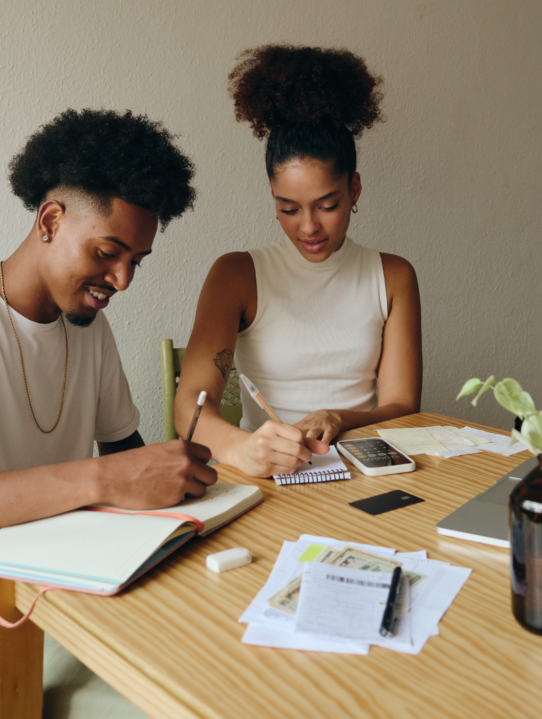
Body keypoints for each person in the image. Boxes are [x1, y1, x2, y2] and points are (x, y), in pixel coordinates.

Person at [0, 108, 216, 719]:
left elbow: (130, 461)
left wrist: (179, 479)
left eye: (139, 261)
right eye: (109, 252)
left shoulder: (89, 328)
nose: (123, 280)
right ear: (51, 220)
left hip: (71, 581)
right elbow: (111, 473)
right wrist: (106, 479)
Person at [175, 44, 422, 478]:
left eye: (327, 205)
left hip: (363, 475)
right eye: (289, 208)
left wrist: (339, 417)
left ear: (355, 190)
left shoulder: (393, 276)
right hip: (269, 479)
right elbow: (190, 408)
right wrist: (245, 449)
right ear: (272, 197)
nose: (308, 227)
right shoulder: (237, 275)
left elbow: (402, 408)